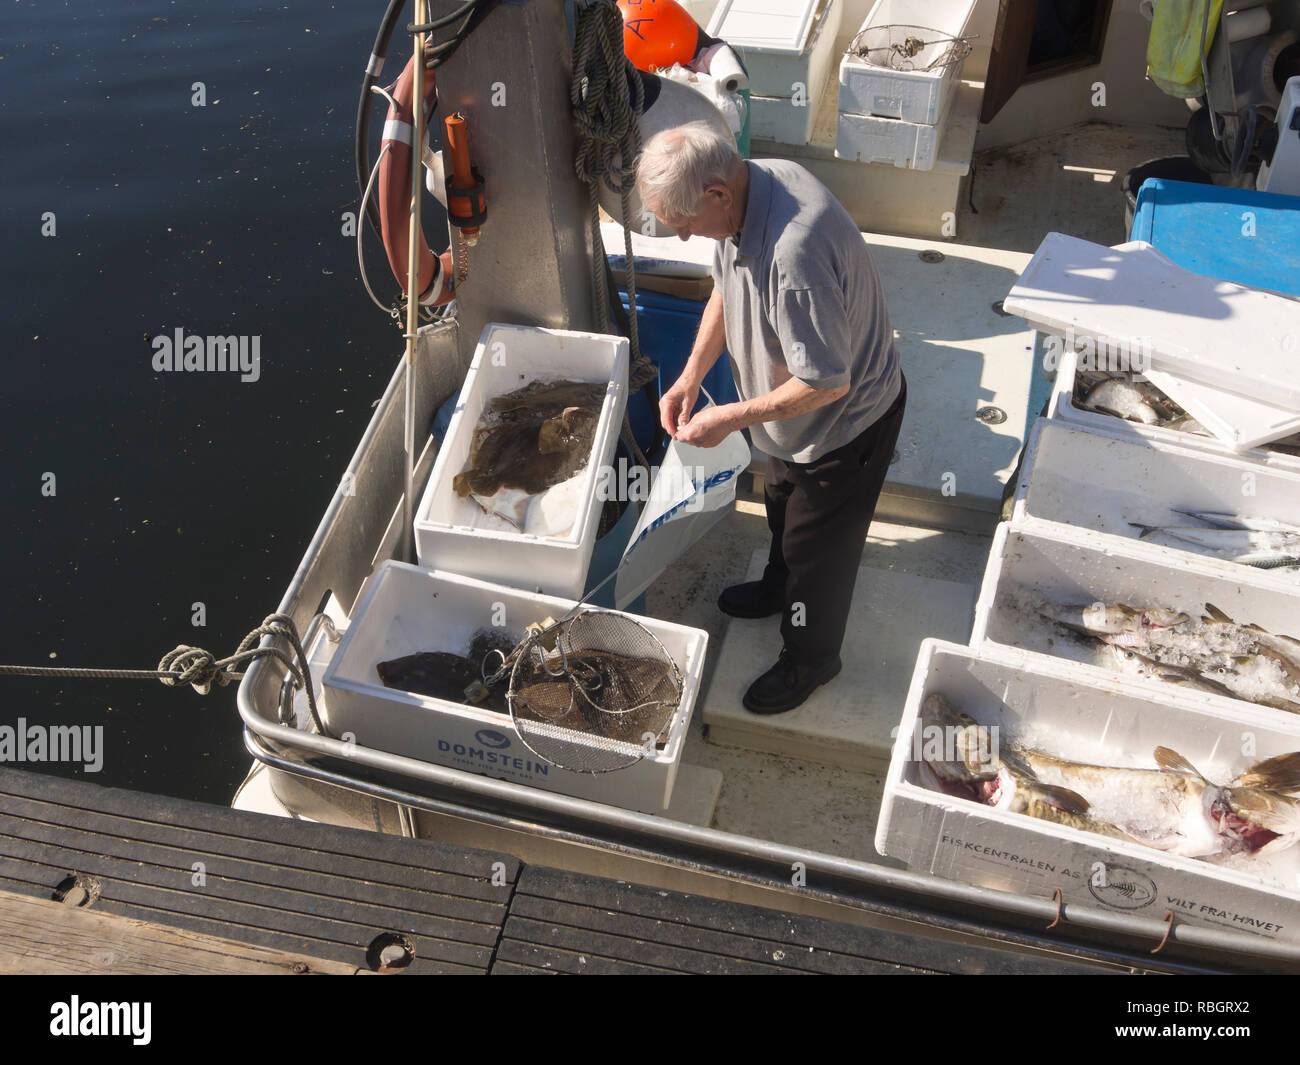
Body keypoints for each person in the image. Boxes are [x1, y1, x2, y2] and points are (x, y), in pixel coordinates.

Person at [635, 122, 906, 715]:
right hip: (789, 424)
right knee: (782, 508)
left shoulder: (794, 251)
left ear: (716, 192)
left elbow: (826, 381)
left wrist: (729, 417)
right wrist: (690, 378)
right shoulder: (752, 187)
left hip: (843, 429)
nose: (681, 237)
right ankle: (779, 586)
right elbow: (726, 288)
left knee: (820, 556)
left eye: (683, 222)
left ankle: (810, 658)